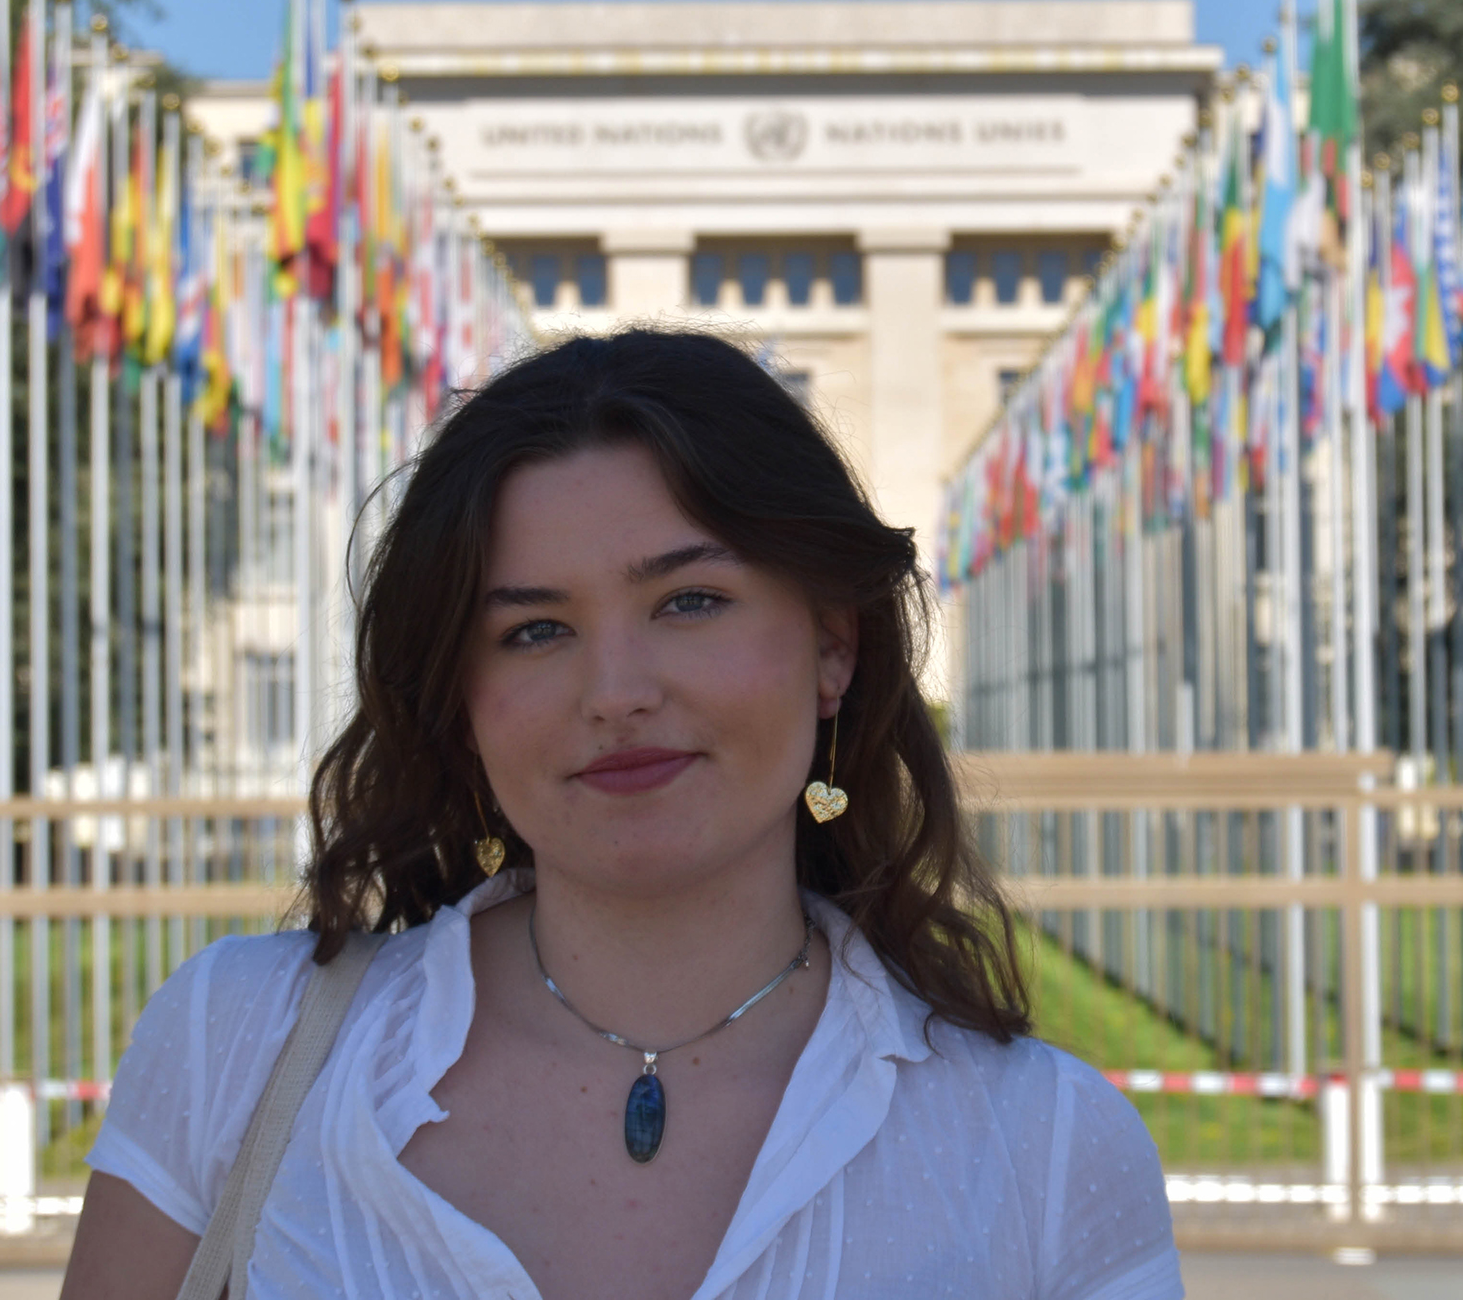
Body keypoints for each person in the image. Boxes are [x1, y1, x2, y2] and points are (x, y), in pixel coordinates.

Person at [60, 329, 1180, 1299]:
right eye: (534, 629)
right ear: (461, 698)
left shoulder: (1044, 1146)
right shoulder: (237, 1045)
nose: (617, 690)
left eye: (689, 601)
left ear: (831, 644)